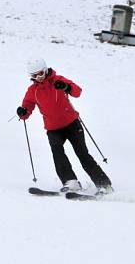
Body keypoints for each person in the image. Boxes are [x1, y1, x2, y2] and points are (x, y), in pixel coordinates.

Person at [16, 58, 112, 194]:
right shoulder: (33, 91)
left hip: (72, 124)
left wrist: (66, 87)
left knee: (82, 154)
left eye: (41, 74)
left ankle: (104, 185)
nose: (39, 78)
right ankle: (70, 182)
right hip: (53, 129)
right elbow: (27, 107)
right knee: (58, 154)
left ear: (46, 70)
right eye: (34, 76)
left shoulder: (58, 80)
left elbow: (77, 92)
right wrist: (22, 112)